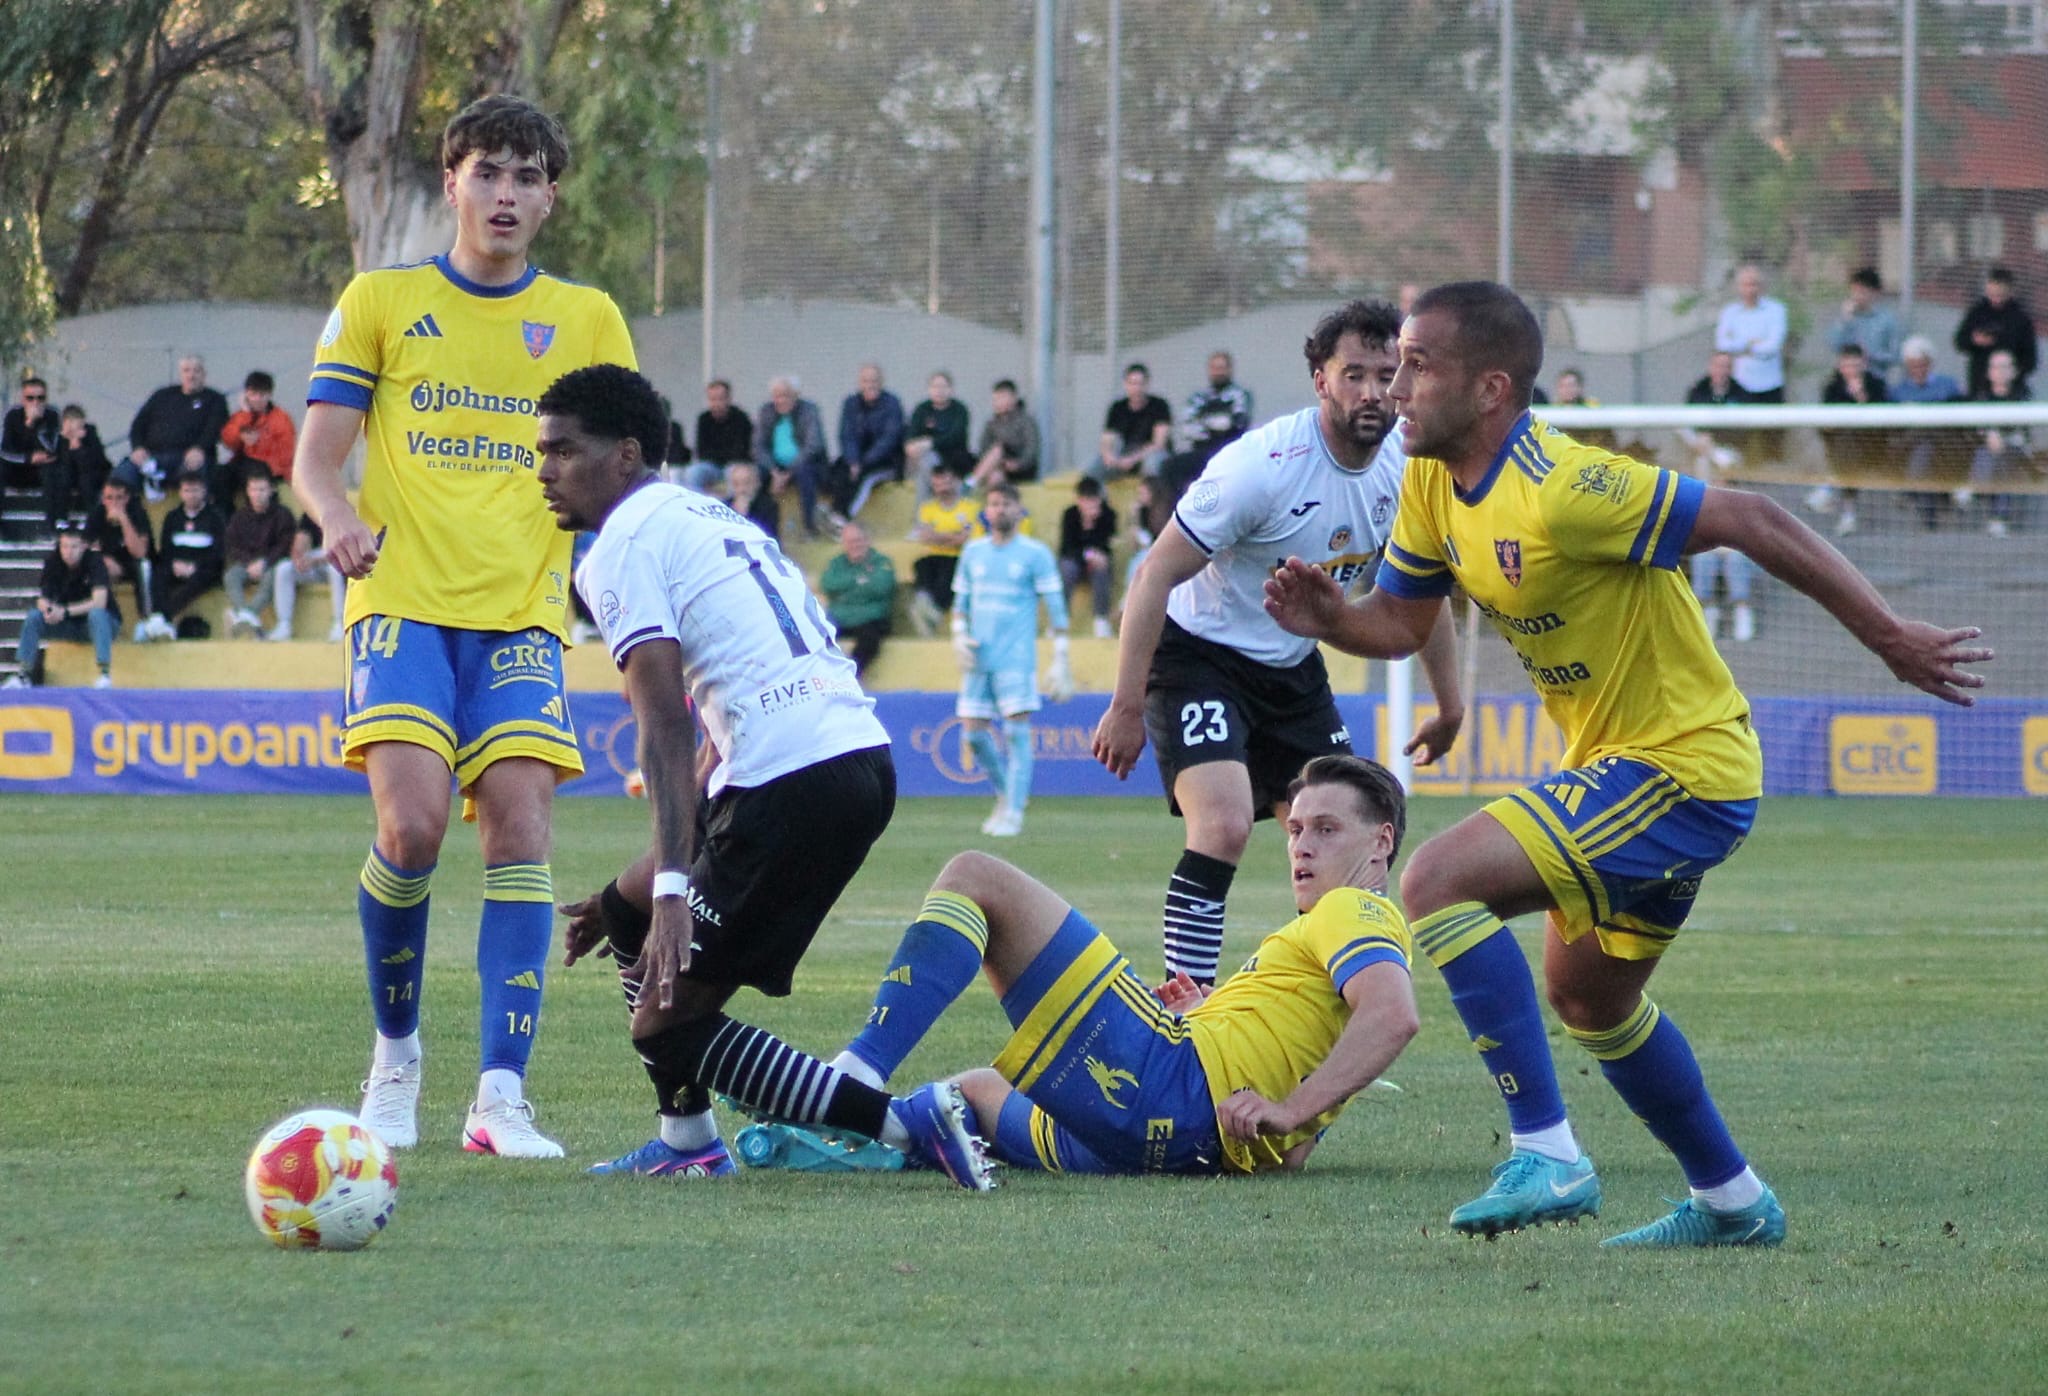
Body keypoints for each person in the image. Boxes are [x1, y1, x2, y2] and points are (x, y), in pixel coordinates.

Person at [1264, 279, 1992, 1247]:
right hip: (1628, 770)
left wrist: (1887, 636)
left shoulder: (1565, 487)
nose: (1393, 388)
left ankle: (1547, 1152)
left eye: (1416, 366)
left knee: (1435, 879)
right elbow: (1398, 621)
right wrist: (1331, 619)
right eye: (1392, 365)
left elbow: (1752, 518)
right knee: (1589, 996)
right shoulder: (1431, 482)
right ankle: (1732, 1202)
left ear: (1489, 389)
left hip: (1682, 768)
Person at [534, 364, 987, 1190]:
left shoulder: (619, 548)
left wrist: (675, 886)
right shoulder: (705, 513)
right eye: (542, 452)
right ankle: (686, 1140)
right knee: (624, 912)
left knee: (664, 1025)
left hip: (792, 780)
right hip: (849, 756)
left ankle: (908, 1124)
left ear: (625, 454)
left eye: (563, 451)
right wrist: (648, 888)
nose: (544, 471)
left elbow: (665, 722)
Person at [291, 94, 638, 1159]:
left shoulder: (587, 318)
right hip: (400, 603)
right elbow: (315, 458)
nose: (505, 194)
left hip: (523, 615)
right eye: (487, 172)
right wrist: (338, 517)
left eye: (527, 177)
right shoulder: (382, 299)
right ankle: (395, 1061)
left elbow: (626, 480)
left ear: (550, 198)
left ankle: (499, 1098)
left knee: (522, 833)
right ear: (451, 182)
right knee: (413, 830)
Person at [750, 754, 1420, 1178]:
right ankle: (871, 1134)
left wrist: (1286, 1105)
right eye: (1296, 829)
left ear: (1381, 842)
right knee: (976, 1091)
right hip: (1175, 1149)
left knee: (975, 877)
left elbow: (1393, 1015)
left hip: (1168, 1084)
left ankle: (857, 1075)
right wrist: (1210, 1018)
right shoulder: (1332, 962)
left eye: (1326, 829)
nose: (1301, 845)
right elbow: (1292, 1154)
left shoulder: (1353, 908)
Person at [1092, 298, 1464, 989]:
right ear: (1321, 380)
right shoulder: (1260, 467)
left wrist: (1450, 705)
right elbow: (1153, 575)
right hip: (1197, 655)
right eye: (1353, 374)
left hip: (1292, 665)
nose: (1372, 392)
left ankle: (1319, 1007)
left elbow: (1420, 597)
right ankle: (1185, 1012)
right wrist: (1125, 704)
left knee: (1352, 837)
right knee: (1225, 824)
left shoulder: (1410, 470)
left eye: (1385, 374)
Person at [952, 482, 1071, 838]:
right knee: (973, 735)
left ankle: (1015, 812)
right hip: (978, 658)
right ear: (986, 511)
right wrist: (958, 634)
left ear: (1019, 510)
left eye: (1006, 503)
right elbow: (960, 604)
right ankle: (1007, 795)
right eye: (994, 503)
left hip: (1015, 658)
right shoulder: (973, 552)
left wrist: (1061, 656)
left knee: (1016, 733)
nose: (1000, 509)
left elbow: (1055, 605)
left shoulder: (1035, 554)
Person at [1679, 353, 1759, 641]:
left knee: (1735, 557)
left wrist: (1717, 452)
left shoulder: (1733, 465)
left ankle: (1742, 609)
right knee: (1703, 557)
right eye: (1717, 365)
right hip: (1707, 534)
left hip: (1733, 536)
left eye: (1726, 366)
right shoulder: (1697, 392)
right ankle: (1708, 611)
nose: (1720, 370)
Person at [6, 522, 114, 690]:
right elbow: (42, 599)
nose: (68, 552)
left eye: (74, 547)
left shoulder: (95, 561)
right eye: (64, 546)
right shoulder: (53, 561)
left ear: (83, 547)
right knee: (34, 616)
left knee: (97, 614)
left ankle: (105, 674)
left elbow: (100, 601)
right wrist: (49, 611)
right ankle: (23, 674)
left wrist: (65, 612)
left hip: (97, 625)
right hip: (67, 624)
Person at [1955, 348, 2035, 537]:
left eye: (2004, 366)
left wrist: (2001, 438)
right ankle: (1998, 518)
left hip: (2017, 452)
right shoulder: (1981, 397)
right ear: (1989, 372)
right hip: (1988, 452)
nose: (2000, 371)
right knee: (1990, 454)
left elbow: (2023, 433)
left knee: (2004, 456)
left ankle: (1974, 487)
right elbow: (1975, 429)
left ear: (2014, 371)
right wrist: (1989, 434)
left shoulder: (2022, 396)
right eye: (1995, 367)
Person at [127, 354, 228, 502]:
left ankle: (194, 513)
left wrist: (199, 448)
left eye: (196, 371)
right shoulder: (161, 395)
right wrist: (137, 447)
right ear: (180, 374)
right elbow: (138, 425)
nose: (191, 375)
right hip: (153, 456)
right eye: (186, 370)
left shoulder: (215, 399)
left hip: (190, 457)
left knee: (193, 478)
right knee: (119, 478)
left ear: (204, 374)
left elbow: (214, 429)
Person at [1814, 342, 1889, 537]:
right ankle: (1848, 514)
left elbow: (1882, 421)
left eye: (1856, 365)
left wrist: (1862, 398)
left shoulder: (1876, 385)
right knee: (1845, 443)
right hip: (1841, 447)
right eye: (1847, 366)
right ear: (1840, 366)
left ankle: (1829, 487)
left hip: (1871, 446)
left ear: (1864, 364)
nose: (1852, 370)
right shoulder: (1832, 388)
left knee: (1848, 443)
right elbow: (1824, 423)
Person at [1892, 336, 1967, 531]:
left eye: (1921, 365)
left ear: (1930, 363)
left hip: (1946, 448)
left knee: (1926, 448)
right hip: (1910, 448)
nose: (1917, 370)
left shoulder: (1948, 386)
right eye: (1913, 366)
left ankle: (1914, 491)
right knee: (1923, 448)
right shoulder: (1899, 392)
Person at [221, 468, 298, 637]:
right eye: (253, 489)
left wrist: (265, 562)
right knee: (231, 576)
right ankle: (245, 614)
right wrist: (249, 563)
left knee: (272, 577)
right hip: (246, 564)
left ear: (271, 490)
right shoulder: (239, 517)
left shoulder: (283, 515)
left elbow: (285, 544)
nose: (257, 494)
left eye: (262, 489)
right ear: (248, 491)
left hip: (272, 563)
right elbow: (232, 545)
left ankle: (246, 615)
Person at [752, 376, 830, 538]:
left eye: (786, 395)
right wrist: (774, 472)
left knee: (805, 473)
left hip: (805, 464)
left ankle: (810, 526)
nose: (781, 400)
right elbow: (758, 446)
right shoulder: (766, 411)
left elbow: (813, 445)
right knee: (754, 476)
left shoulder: (809, 410)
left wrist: (788, 473)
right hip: (775, 467)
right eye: (777, 396)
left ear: (796, 395)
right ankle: (757, 525)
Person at [908, 457, 977, 636]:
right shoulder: (927, 508)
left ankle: (930, 612)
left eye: (946, 482)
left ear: (955, 481)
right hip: (935, 555)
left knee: (949, 571)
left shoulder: (969, 506)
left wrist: (938, 536)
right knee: (921, 565)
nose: (942, 487)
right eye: (937, 484)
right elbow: (925, 536)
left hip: (959, 556)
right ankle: (926, 606)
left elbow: (965, 539)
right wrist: (953, 535)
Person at [827, 363, 906, 521]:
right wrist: (853, 460)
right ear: (860, 383)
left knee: (864, 478)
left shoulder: (892, 403)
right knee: (839, 470)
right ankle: (834, 513)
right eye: (865, 381)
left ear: (881, 383)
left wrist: (863, 462)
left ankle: (844, 516)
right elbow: (846, 434)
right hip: (857, 457)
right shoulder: (850, 403)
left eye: (874, 381)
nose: (870, 385)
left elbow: (889, 439)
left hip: (885, 459)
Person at [820, 519, 897, 675]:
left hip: (870, 618)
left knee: (870, 640)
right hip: (840, 617)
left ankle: (850, 676)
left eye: (858, 540)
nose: (854, 545)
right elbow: (828, 585)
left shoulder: (882, 562)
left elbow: (881, 587)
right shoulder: (836, 563)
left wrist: (845, 592)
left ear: (867, 540)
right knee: (816, 636)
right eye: (849, 542)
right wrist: (858, 580)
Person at [1953, 267, 2038, 398]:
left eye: (2000, 294)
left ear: (2010, 291)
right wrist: (1975, 341)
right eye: (1992, 293)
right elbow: (1960, 342)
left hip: (2011, 390)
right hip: (1979, 384)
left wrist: (2010, 372)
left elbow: (2030, 359)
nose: (1995, 299)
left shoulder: (2021, 319)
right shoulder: (1977, 313)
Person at [1714, 265, 1788, 403]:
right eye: (1745, 285)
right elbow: (1723, 344)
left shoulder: (1776, 310)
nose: (1750, 289)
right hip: (1739, 383)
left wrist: (1740, 347)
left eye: (1754, 284)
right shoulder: (1729, 313)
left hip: (1770, 383)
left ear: (1762, 286)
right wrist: (1752, 343)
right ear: (1738, 287)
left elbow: (1773, 346)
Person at [272, 510, 348, 643]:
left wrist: (314, 560)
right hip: (316, 564)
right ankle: (284, 625)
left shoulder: (343, 512)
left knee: (335, 569)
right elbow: (301, 539)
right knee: (284, 568)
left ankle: (339, 624)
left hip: (337, 561)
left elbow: (341, 550)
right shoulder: (311, 512)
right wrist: (298, 558)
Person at [87, 475, 153, 626]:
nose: (114, 503)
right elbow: (86, 548)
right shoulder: (97, 514)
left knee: (143, 567)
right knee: (95, 568)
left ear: (127, 498)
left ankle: (146, 619)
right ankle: (103, 618)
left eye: (119, 498)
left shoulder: (137, 513)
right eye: (109, 498)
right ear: (103, 499)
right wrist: (101, 559)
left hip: (133, 562)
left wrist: (123, 520)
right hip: (108, 563)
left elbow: (140, 552)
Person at [218, 370, 298, 495]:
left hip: (270, 467)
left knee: (253, 475)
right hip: (243, 464)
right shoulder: (241, 415)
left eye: (262, 395)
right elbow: (228, 441)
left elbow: (286, 454)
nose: (257, 399)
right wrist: (245, 418)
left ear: (269, 395)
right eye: (253, 394)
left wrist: (258, 443)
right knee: (221, 475)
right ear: (246, 395)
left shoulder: (281, 419)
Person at [1058, 475, 1118, 639]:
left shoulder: (1108, 515)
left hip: (1098, 561)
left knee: (1102, 568)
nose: (1092, 506)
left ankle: (1101, 620)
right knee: (1067, 569)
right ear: (1079, 501)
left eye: (1095, 501)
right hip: (1075, 560)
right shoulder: (1070, 515)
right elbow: (1067, 548)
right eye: (1087, 502)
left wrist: (1092, 526)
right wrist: (1088, 554)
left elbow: (1106, 545)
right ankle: (1060, 619)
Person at [1091, 363, 1173, 482]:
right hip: (1126, 454)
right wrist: (1108, 456)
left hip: (1149, 454)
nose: (1137, 388)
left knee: (1153, 462)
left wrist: (1132, 459)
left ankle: (1151, 493)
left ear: (1147, 384)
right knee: (1095, 466)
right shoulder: (1117, 407)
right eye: (1132, 383)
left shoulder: (1159, 406)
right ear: (1125, 384)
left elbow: (1158, 443)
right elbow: (1107, 439)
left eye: (1141, 384)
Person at [905, 369, 973, 503]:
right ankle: (932, 507)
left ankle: (942, 500)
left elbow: (956, 436)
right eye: (935, 387)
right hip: (928, 461)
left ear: (951, 389)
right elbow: (912, 436)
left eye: (943, 387)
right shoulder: (922, 409)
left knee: (925, 475)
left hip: (955, 460)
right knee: (925, 461)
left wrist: (930, 443)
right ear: (929, 389)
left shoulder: (960, 409)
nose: (939, 391)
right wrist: (912, 446)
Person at [2, 377, 62, 521]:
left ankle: (52, 522)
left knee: (52, 471)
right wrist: (28, 424)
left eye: (41, 398)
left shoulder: (52, 415)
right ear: (23, 400)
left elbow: (53, 449)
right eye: (30, 398)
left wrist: (38, 428)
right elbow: (6, 451)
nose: (36, 403)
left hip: (42, 469)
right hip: (18, 468)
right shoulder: (12, 415)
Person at [1826, 267, 1901, 381]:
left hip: (1875, 379)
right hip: (1847, 379)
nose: (1856, 296)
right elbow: (1833, 345)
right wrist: (1844, 319)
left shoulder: (1888, 320)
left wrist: (1870, 355)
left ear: (1875, 293)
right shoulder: (1848, 317)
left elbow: (1895, 356)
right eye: (1853, 291)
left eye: (1861, 291)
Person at [1183, 350, 1253, 468]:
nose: (1218, 372)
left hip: (1233, 450)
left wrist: (1205, 423)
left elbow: (1238, 423)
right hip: (1202, 452)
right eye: (1214, 368)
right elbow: (1188, 428)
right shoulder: (1198, 398)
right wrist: (1218, 426)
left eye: (1221, 368)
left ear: (1229, 370)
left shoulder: (1240, 395)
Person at [683, 379, 752, 494]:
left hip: (734, 465)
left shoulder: (741, 418)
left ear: (728, 399)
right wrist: (722, 454)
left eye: (720, 399)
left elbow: (741, 451)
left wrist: (718, 454)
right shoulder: (703, 419)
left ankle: (730, 504)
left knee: (735, 473)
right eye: (712, 399)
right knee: (693, 472)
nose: (716, 403)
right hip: (711, 466)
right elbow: (701, 451)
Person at [971, 379, 1039, 490]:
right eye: (995, 399)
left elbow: (1032, 450)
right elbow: (983, 449)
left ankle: (970, 482)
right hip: (999, 465)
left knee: (999, 449)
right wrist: (999, 463)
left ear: (1014, 398)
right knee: (994, 476)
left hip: (1021, 468)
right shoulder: (991, 423)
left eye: (1001, 398)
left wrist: (1018, 464)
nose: (997, 402)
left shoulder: (1026, 421)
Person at [52, 405, 113, 526]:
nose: (80, 429)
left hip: (91, 471)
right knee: (63, 477)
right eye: (77, 426)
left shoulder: (90, 432)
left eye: (81, 425)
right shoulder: (59, 437)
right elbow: (62, 462)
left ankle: (91, 517)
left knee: (87, 480)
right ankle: (61, 517)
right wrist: (69, 445)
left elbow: (96, 460)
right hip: (70, 473)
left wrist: (79, 448)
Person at [722, 459, 779, 541]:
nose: (742, 489)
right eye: (736, 484)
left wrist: (744, 514)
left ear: (757, 483)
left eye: (746, 483)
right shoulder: (724, 506)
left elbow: (768, 537)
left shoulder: (768, 506)